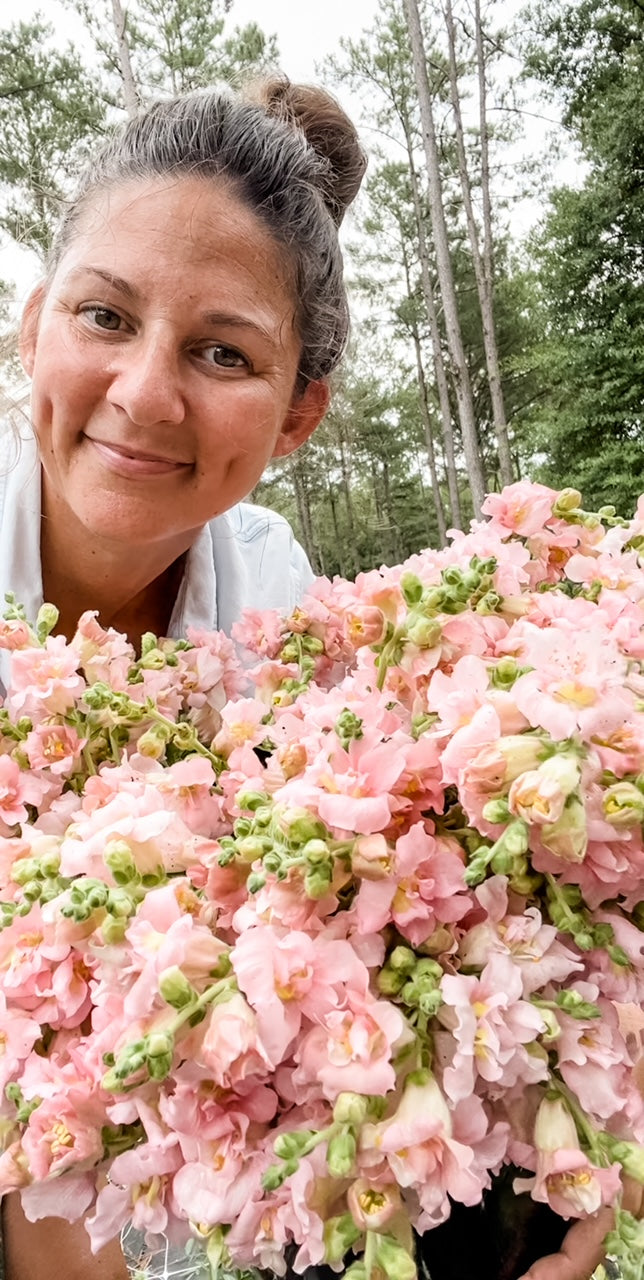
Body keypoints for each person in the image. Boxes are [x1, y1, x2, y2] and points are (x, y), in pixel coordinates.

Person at [0, 75, 624, 1280]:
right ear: (35, 331)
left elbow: (307, 937)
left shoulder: (276, 596)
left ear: (297, 417)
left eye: (222, 350)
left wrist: (554, 1137)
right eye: (106, 317)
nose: (143, 394)